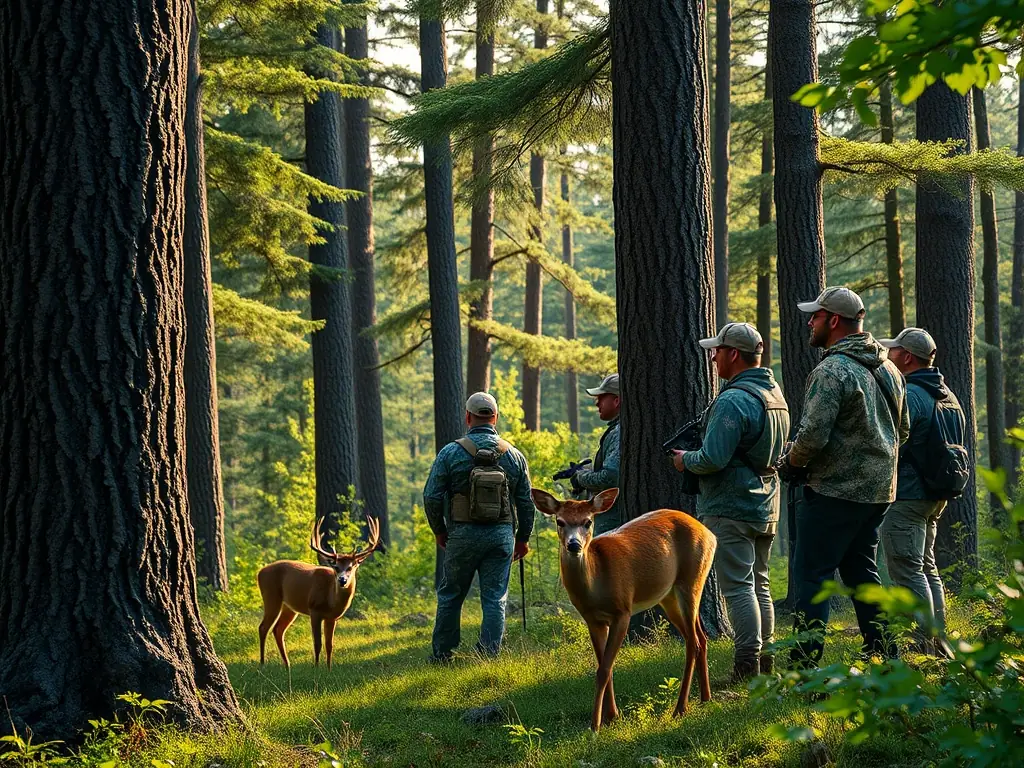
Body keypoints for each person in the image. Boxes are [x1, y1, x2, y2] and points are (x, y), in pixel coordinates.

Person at [776, 286, 909, 667]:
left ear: (833, 321)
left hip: (834, 492)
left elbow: (813, 435)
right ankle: (885, 656)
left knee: (812, 578)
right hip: (879, 493)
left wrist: (790, 463)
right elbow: (903, 431)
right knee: (862, 573)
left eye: (815, 316)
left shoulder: (832, 370)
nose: (809, 322)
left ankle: (804, 669)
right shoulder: (890, 369)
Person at [671, 323, 790, 679]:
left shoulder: (733, 399)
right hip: (766, 503)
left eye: (717, 350)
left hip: (731, 505)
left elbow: (712, 458)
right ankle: (765, 663)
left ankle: (747, 667)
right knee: (760, 584)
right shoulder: (775, 395)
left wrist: (683, 460)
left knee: (737, 587)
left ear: (733, 354)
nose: (713, 356)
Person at [422, 392, 536, 663]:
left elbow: (431, 496)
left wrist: (439, 530)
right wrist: (522, 538)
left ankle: (443, 654)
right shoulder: (514, 456)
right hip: (501, 536)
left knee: (451, 593)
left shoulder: (451, 452)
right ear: (495, 418)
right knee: (495, 597)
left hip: (461, 534)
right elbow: (526, 502)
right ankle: (488, 654)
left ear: (468, 417)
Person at [878, 327, 966, 651]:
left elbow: (893, 441)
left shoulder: (911, 395)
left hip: (909, 496)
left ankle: (919, 648)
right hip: (935, 496)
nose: (889, 354)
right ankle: (937, 642)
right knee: (927, 567)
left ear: (907, 357)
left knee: (908, 571)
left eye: (894, 350)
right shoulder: (949, 396)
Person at [574, 373, 622, 536]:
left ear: (617, 400)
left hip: (613, 525)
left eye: (601, 397)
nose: (597, 403)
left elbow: (609, 478)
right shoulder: (618, 430)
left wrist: (580, 477)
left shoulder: (618, 433)